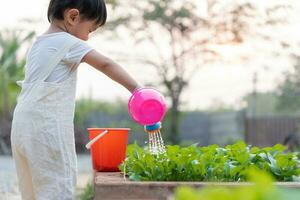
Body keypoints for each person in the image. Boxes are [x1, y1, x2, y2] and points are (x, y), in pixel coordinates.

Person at [10, 0, 140, 199]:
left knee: (33, 192)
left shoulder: (39, 44)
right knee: (58, 187)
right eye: (90, 29)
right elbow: (106, 64)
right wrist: (137, 90)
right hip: (47, 130)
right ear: (72, 17)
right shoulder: (68, 42)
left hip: (21, 129)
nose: (87, 37)